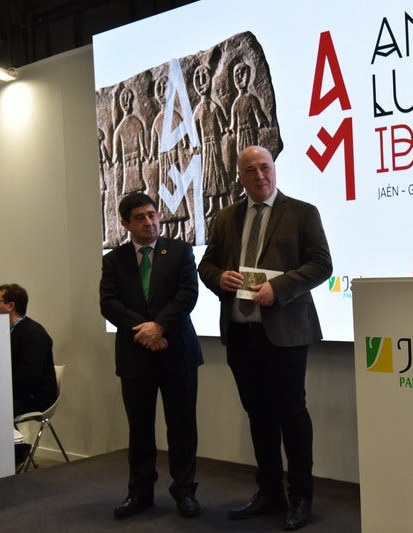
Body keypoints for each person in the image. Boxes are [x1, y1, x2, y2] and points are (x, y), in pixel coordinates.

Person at [198, 145, 332, 530]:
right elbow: (206, 264)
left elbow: (322, 264)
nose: (260, 175)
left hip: (286, 331)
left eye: (265, 167)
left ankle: (301, 496)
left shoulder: (302, 213)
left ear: (275, 170)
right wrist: (218, 278)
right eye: (251, 170)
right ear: (240, 177)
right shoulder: (226, 217)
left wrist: (282, 288)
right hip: (242, 332)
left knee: (292, 414)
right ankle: (270, 491)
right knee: (258, 415)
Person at [100, 192, 203, 519]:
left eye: (153, 215)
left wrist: (159, 326)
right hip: (135, 356)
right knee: (140, 428)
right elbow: (109, 304)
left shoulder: (180, 251)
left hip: (177, 353)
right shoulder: (113, 260)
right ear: (126, 223)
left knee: (182, 427)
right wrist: (144, 331)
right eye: (141, 218)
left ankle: (184, 492)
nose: (150, 222)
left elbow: (188, 295)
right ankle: (140, 493)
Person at [0, 283, 57, 417]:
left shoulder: (34, 334)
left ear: (10, 306)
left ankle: (5, 438)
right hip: (20, 393)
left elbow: (29, 377)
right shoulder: (9, 331)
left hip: (36, 398)